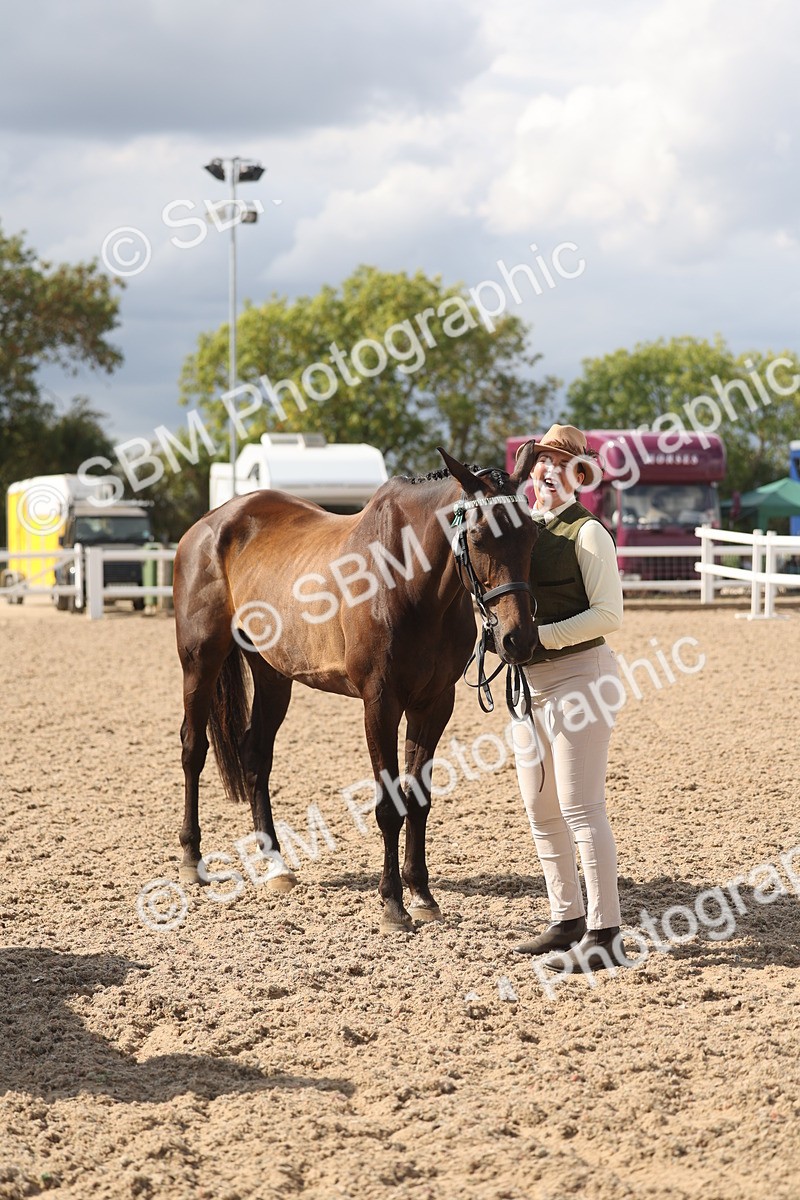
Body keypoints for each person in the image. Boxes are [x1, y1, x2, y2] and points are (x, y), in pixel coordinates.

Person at [511, 424, 628, 973]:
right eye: (542, 462)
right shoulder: (519, 531)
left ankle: (606, 934)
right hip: (528, 686)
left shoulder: (589, 533)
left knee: (581, 806)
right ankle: (567, 919)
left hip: (582, 674)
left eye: (562, 464)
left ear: (579, 475)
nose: (549, 471)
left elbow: (609, 614)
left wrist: (543, 637)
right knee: (540, 806)